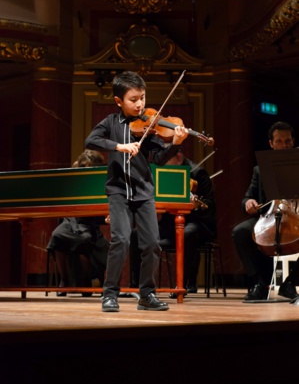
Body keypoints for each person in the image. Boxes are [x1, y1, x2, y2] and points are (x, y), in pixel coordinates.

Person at [85, 70, 189, 312]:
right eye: (133, 99)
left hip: (143, 191)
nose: (140, 103)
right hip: (118, 190)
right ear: (119, 101)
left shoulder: (149, 125)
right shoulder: (111, 122)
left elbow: (161, 159)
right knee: (120, 239)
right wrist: (119, 146)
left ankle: (147, 295)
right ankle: (110, 294)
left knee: (152, 243)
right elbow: (91, 140)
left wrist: (175, 144)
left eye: (142, 97)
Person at [130, 149, 217, 296]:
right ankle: (137, 286)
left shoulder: (198, 174)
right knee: (136, 234)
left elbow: (209, 206)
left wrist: (194, 206)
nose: (162, 166)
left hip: (198, 225)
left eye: (165, 161)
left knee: (187, 232)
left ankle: (182, 284)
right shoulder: (162, 173)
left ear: (178, 157)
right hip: (170, 225)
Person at [232, 121, 298, 301]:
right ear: (271, 144)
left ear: (293, 142)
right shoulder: (260, 170)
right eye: (279, 141)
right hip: (269, 217)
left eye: (287, 141)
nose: (284, 145)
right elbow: (247, 198)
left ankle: (290, 283)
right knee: (241, 232)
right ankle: (261, 283)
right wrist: (249, 203)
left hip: (296, 217)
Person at [47, 149, 109, 296]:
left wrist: (105, 218)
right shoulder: (74, 177)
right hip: (72, 220)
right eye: (85, 167)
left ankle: (86, 281)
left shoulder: (102, 180)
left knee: (85, 239)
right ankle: (64, 281)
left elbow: (101, 209)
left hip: (89, 223)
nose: (87, 170)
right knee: (57, 235)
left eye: (90, 167)